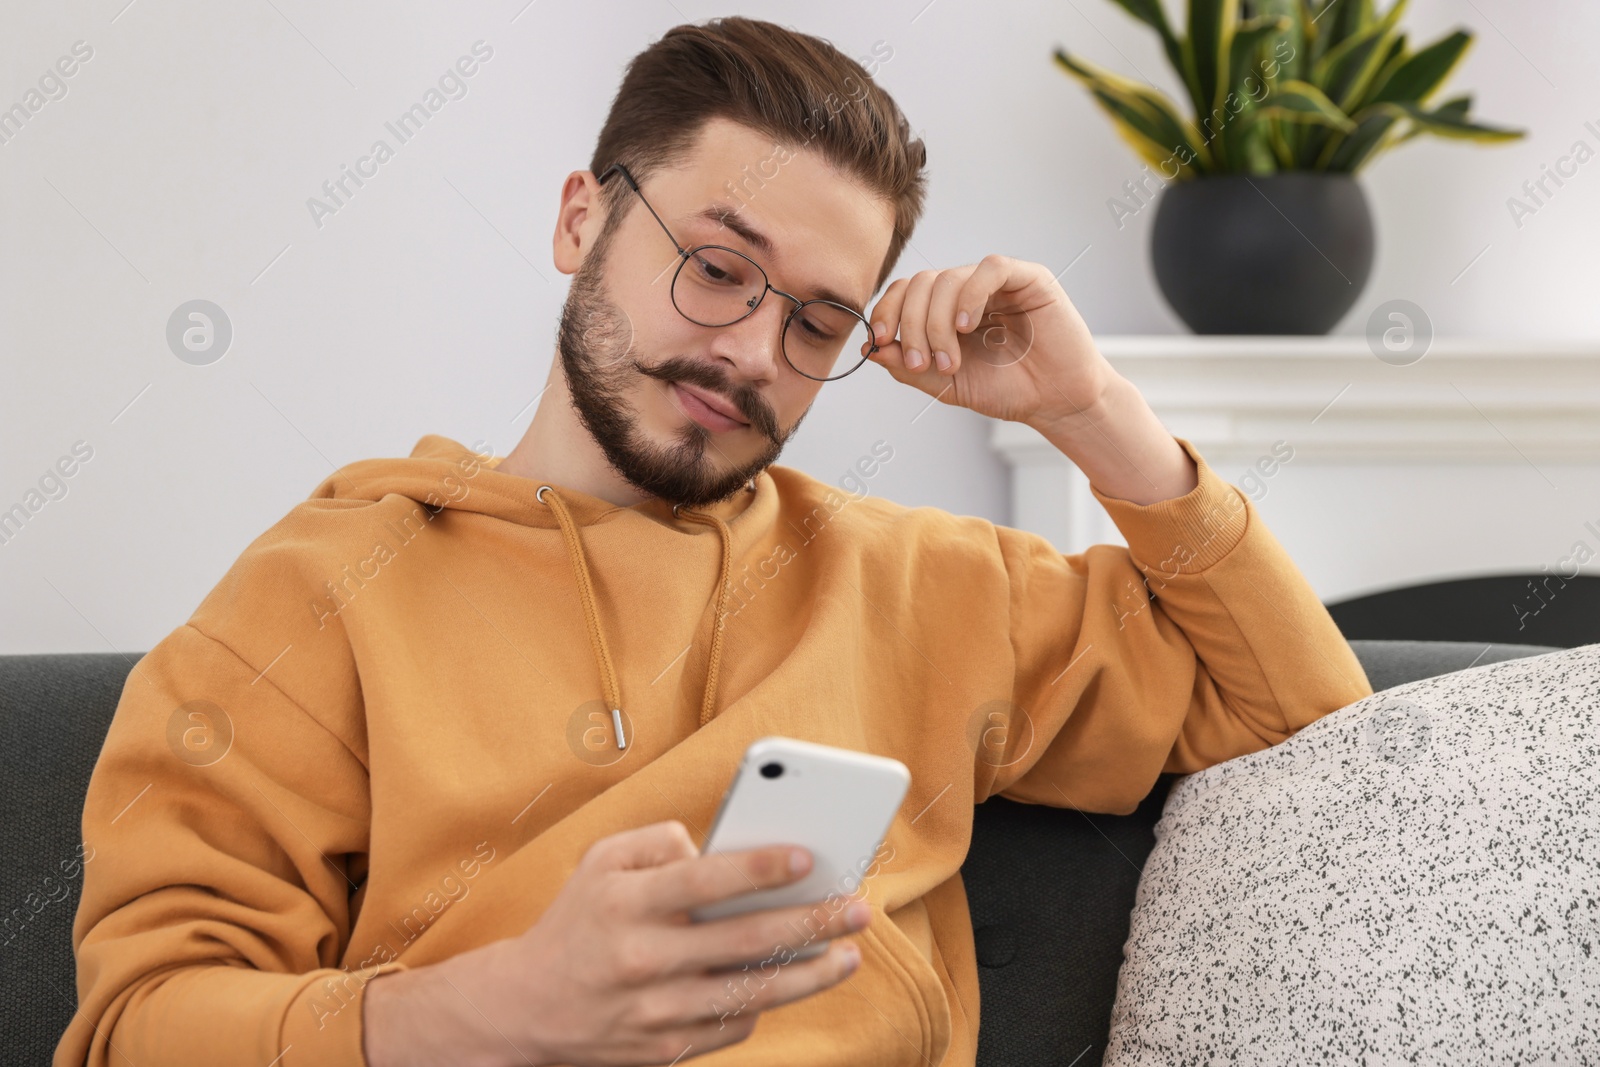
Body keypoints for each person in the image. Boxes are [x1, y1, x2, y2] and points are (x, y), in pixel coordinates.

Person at [58, 15, 1372, 1067]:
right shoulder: (317, 597)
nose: (751, 351)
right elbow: (136, 1028)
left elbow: (1316, 730)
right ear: (583, 219)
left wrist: (1096, 416)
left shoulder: (933, 587)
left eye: (815, 322)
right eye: (717, 266)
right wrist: (491, 1017)